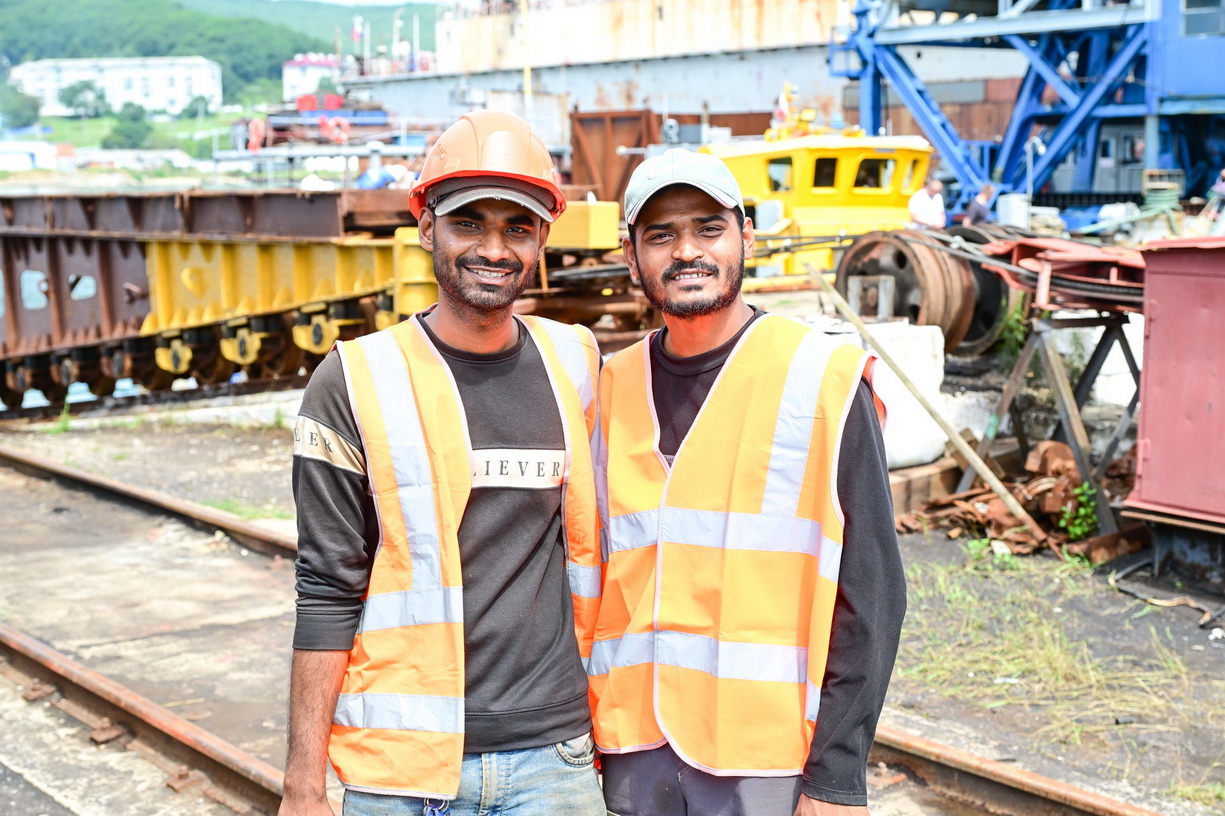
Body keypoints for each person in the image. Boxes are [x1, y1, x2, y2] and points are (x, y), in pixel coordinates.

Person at [280, 110, 605, 816]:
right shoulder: (354, 381)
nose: (493, 248)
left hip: (554, 758)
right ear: (427, 226)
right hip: (401, 769)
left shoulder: (574, 363)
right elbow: (327, 587)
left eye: (517, 227)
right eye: (468, 223)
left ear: (542, 238)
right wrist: (303, 785)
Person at [590, 148, 907, 816]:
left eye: (708, 229)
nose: (686, 251)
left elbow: (872, 592)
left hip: (764, 761)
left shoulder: (822, 380)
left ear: (747, 238)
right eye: (661, 235)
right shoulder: (609, 387)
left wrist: (835, 777)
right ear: (630, 257)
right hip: (632, 753)